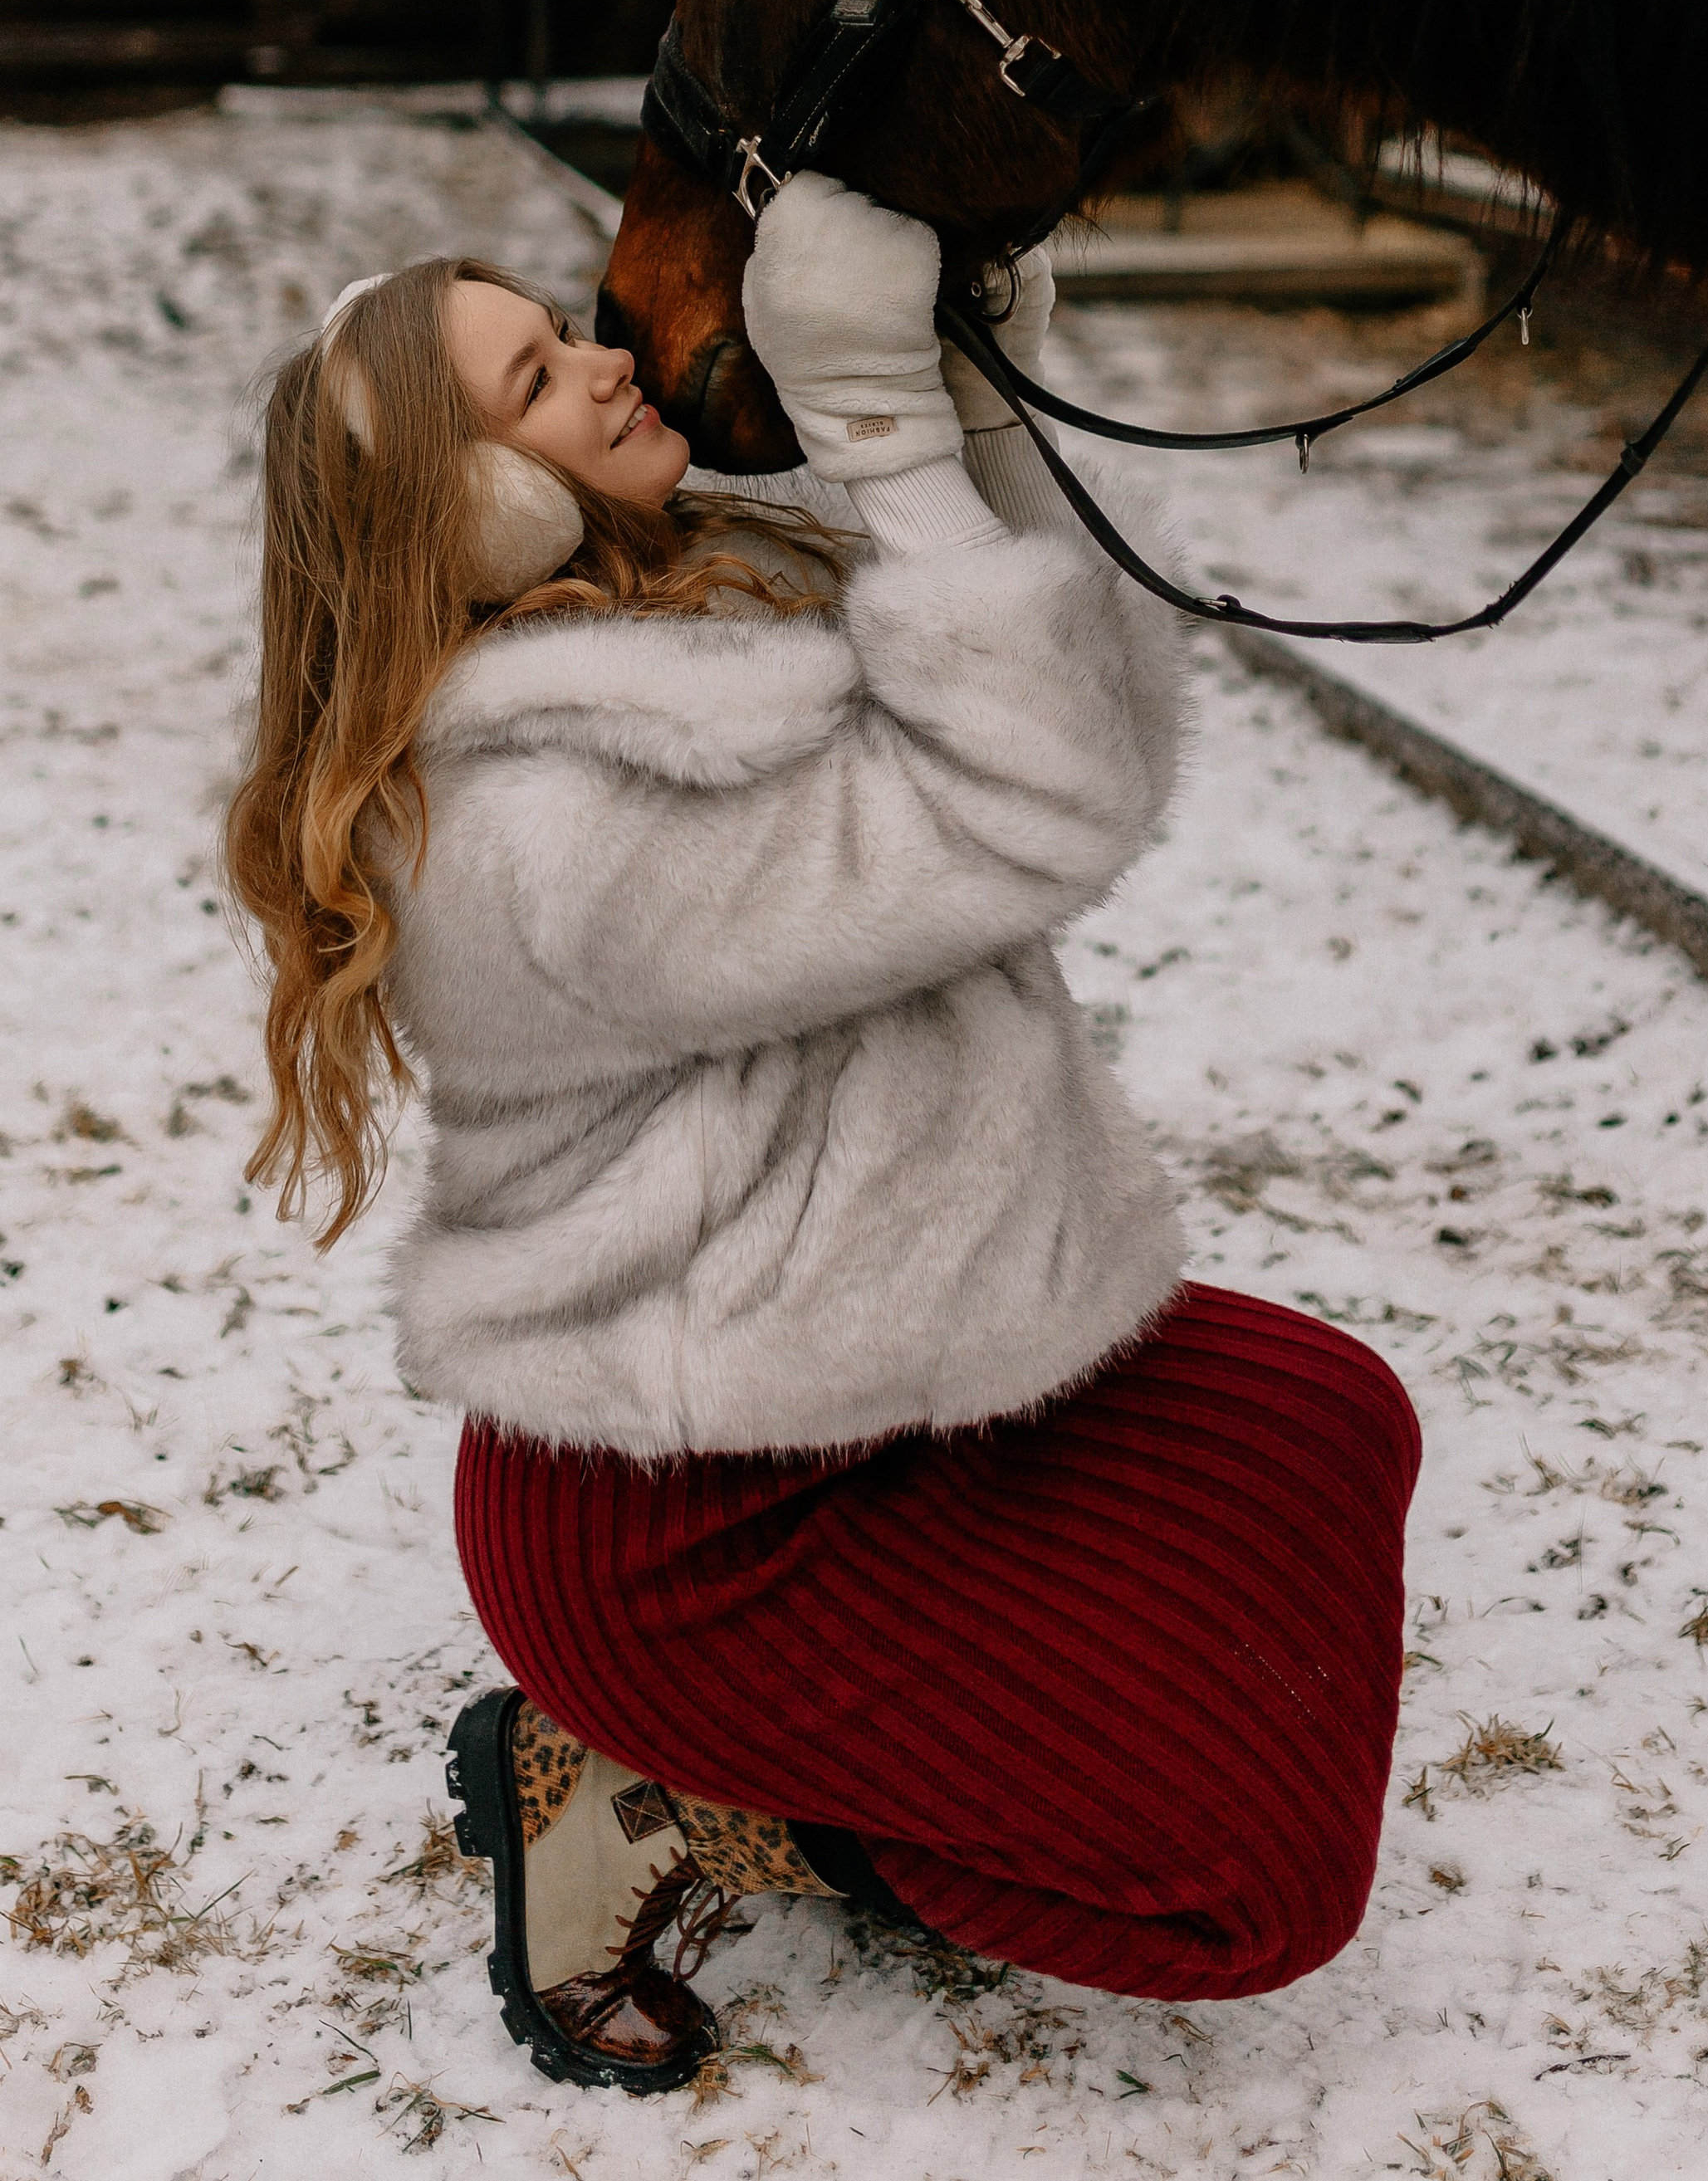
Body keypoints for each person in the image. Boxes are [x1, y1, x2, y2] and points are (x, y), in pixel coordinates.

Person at [224, 173, 1422, 2096]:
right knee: (1250, 1886)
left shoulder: (701, 590)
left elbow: (1089, 710)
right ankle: (639, 1791)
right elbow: (1026, 805)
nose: (603, 362)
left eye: (560, 331)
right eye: (535, 378)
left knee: (1318, 1421)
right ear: (471, 511)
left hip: (871, 1377)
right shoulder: (533, 834)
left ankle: (850, 1740)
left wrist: (979, 397)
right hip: (689, 1515)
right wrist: (879, 432)